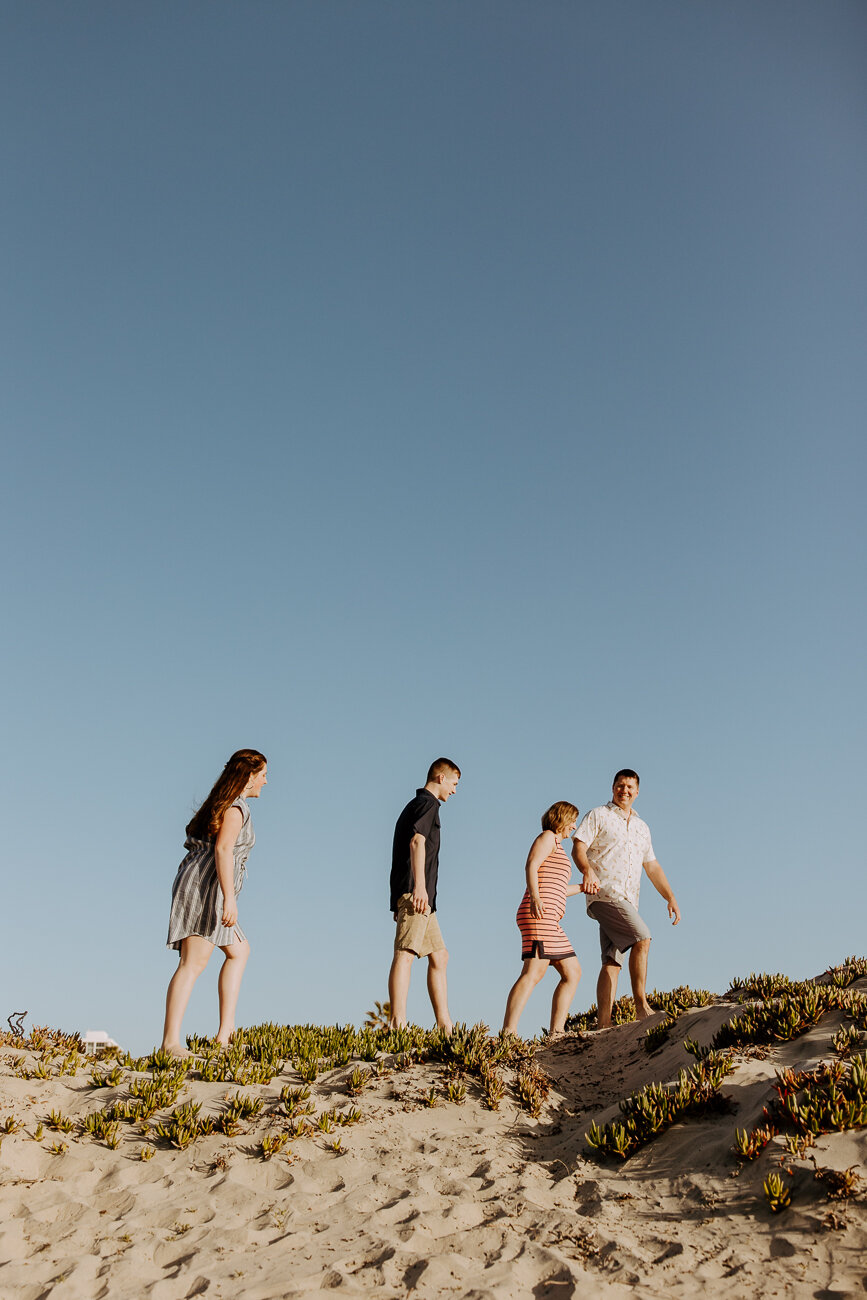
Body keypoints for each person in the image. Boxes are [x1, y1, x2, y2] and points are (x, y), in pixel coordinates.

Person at [161, 749, 268, 1055]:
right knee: (192, 964)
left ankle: (225, 1033)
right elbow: (222, 851)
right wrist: (229, 900)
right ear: (248, 776)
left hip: (209, 884)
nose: (265, 781)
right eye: (262, 774)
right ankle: (169, 1042)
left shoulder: (232, 806)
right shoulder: (235, 810)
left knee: (240, 951)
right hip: (206, 888)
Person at [572, 769, 680, 1029]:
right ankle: (641, 1006)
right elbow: (578, 846)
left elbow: (652, 866)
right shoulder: (598, 815)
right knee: (642, 938)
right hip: (604, 894)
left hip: (629, 900)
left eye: (630, 787)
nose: (625, 791)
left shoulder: (643, 827)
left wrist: (670, 897)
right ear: (612, 788)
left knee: (611, 961)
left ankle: (604, 1024)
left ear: (637, 792)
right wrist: (587, 870)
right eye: (620, 786)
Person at [502, 801, 596, 1038]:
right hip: (538, 915)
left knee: (572, 972)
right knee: (533, 973)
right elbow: (531, 865)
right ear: (561, 818)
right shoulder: (547, 837)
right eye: (572, 821)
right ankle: (508, 1032)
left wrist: (584, 888)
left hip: (551, 919)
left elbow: (559, 888)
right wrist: (534, 896)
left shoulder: (559, 847)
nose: (574, 827)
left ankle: (556, 1031)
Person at [387, 758, 461, 1033]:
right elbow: (416, 841)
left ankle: (445, 1026)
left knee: (440, 957)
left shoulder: (417, 805)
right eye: (454, 783)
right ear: (441, 778)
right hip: (417, 894)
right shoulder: (428, 804)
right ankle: (397, 1024)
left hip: (422, 899)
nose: (454, 790)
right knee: (405, 954)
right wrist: (417, 888)